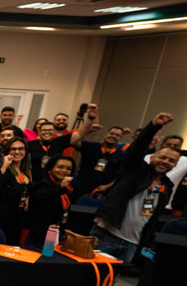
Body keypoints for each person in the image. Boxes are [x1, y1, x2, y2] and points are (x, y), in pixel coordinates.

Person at [92, 112, 179, 262]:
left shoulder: (167, 186)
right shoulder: (135, 169)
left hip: (132, 243)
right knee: (92, 273)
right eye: (163, 157)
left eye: (171, 161)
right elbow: (137, 149)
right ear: (152, 157)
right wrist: (153, 126)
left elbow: (153, 218)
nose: (166, 162)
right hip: (107, 234)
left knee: (114, 276)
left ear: (175, 165)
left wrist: (147, 242)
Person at [24, 155, 75, 248]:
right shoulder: (43, 184)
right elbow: (41, 199)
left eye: (68, 169)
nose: (64, 170)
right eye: (60, 167)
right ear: (50, 169)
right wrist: (60, 187)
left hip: (55, 233)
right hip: (40, 234)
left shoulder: (63, 187)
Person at [0, 137, 32, 245]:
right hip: (2, 219)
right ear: (8, 151)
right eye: (13, 149)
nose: (17, 152)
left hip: (17, 219)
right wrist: (5, 165)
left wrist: (28, 197)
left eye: (20, 149)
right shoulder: (5, 170)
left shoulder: (25, 172)